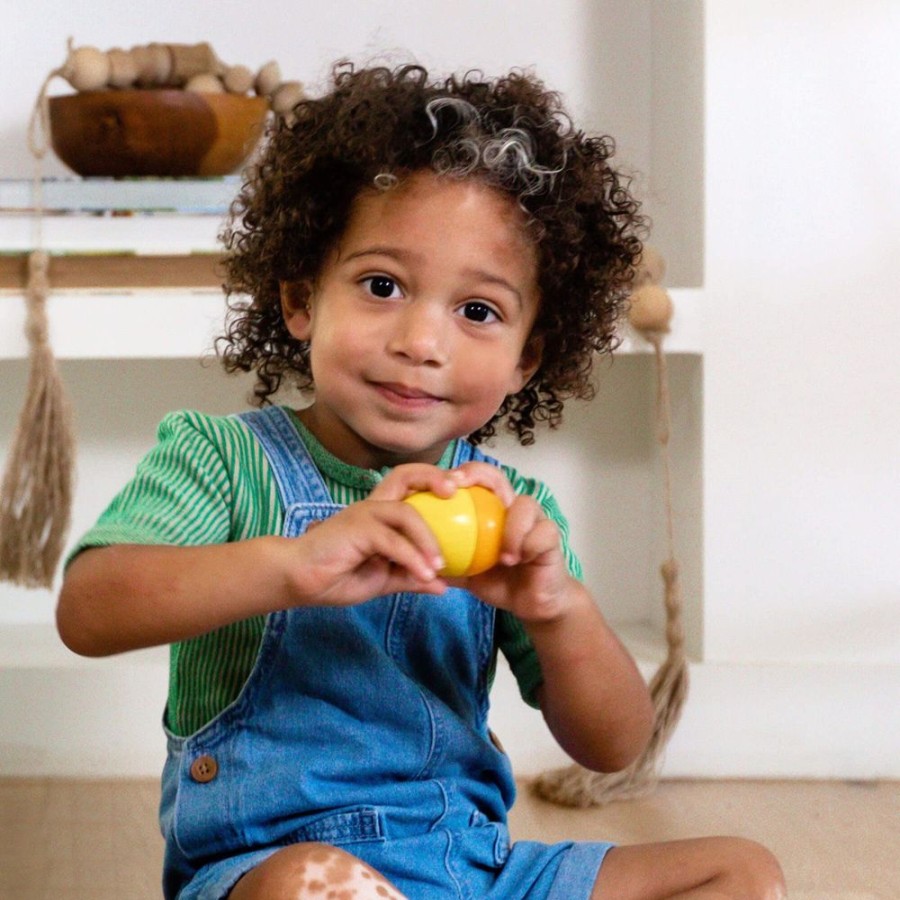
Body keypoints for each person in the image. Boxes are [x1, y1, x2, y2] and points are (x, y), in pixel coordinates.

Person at [57, 62, 786, 900]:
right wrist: (296, 563)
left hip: (475, 871)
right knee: (312, 883)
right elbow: (90, 609)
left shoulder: (514, 514)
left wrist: (560, 612)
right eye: (381, 286)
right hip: (270, 869)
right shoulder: (221, 459)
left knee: (740, 872)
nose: (421, 341)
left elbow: (614, 746)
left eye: (477, 311)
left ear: (528, 357)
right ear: (301, 300)